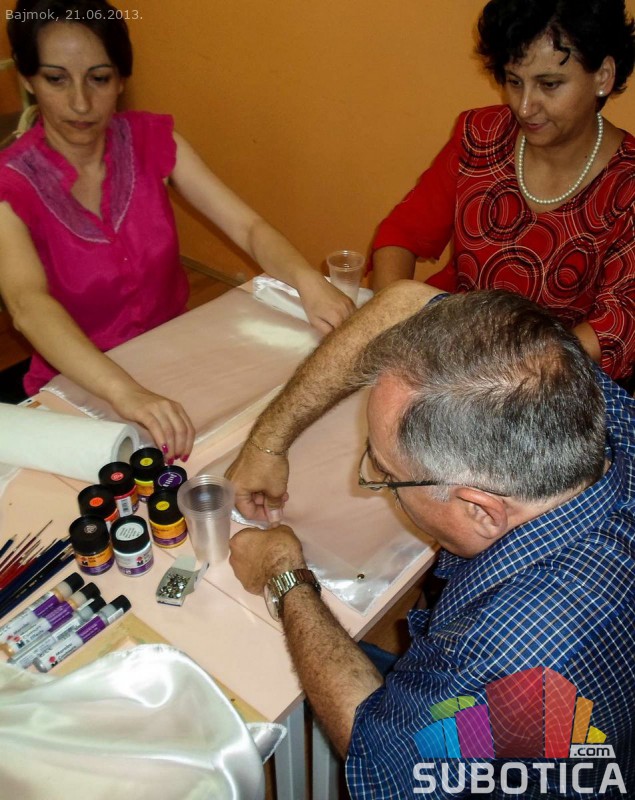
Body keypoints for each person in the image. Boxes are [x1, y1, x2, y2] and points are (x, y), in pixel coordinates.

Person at [229, 290, 635, 797]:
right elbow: (406, 301)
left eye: (386, 473)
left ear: (480, 509)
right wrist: (268, 442)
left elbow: (385, 760)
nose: (373, 478)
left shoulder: (505, 654)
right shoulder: (574, 391)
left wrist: (286, 575)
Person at [0, 0, 355, 462]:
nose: (81, 103)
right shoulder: (11, 183)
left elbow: (247, 227)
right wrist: (125, 392)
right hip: (81, 386)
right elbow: (28, 306)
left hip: (178, 359)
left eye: (99, 79)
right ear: (28, 79)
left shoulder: (153, 140)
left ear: (121, 80)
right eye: (56, 79)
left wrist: (309, 283)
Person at [371, 0, 635, 383]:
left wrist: (495, 375)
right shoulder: (481, 136)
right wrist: (392, 326)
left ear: (603, 76)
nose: (524, 107)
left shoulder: (627, 185)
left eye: (549, 84)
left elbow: (615, 327)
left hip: (554, 383)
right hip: (451, 352)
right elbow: (400, 236)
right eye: (514, 81)